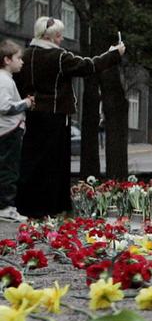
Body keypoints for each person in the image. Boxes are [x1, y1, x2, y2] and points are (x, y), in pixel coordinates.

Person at [15, 17, 124, 219]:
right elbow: (88, 66)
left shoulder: (26, 55)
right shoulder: (59, 57)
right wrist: (114, 54)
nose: (61, 39)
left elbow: (18, 81)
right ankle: (53, 207)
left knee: (32, 161)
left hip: (32, 113)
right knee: (55, 163)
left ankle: (27, 206)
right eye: (58, 35)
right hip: (56, 116)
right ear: (49, 36)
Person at [0, 41, 33, 222]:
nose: (21, 62)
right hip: (9, 131)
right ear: (7, 60)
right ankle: (6, 207)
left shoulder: (5, 79)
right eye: (18, 58)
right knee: (9, 169)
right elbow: (4, 107)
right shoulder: (4, 80)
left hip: (7, 130)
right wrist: (25, 104)